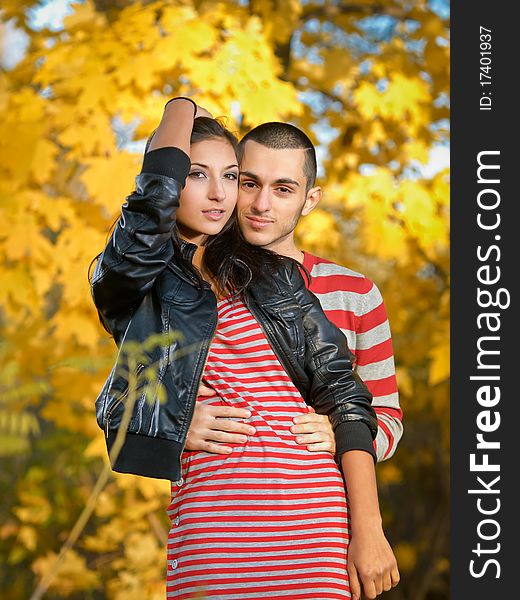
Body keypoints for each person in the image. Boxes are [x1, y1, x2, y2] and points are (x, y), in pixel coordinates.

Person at [91, 98, 398, 599]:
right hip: (214, 531)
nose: (223, 194)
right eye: (195, 174)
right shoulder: (138, 279)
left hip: (313, 524)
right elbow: (148, 216)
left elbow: (348, 398)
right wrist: (180, 107)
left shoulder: (276, 276)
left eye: (231, 176)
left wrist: (367, 528)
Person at [189, 121, 403, 599]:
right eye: (249, 183)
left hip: (315, 537)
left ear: (309, 199)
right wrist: (177, 421)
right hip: (217, 535)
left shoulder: (356, 294)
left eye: (283, 189)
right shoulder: (193, 287)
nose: (261, 205)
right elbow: (132, 395)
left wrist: (343, 431)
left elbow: (386, 416)